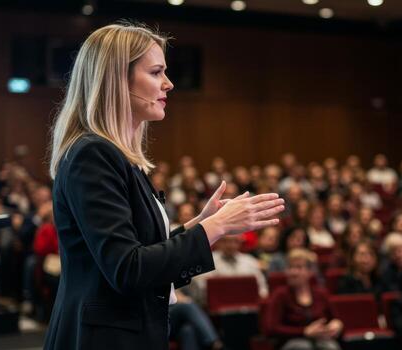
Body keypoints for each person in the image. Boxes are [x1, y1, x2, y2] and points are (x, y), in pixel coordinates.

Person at [44, 22, 284, 350]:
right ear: (116, 79)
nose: (168, 84)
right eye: (156, 72)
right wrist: (215, 227)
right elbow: (127, 268)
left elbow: (142, 250)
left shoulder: (117, 156)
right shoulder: (93, 154)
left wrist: (200, 224)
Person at [267, 248, 343, 350]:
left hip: (321, 340)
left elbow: (335, 319)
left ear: (309, 272)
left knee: (331, 346)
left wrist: (337, 324)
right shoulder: (280, 295)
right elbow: (271, 329)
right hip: (291, 342)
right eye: (290, 267)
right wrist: (304, 332)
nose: (293, 272)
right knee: (303, 347)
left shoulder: (321, 294)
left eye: (299, 267)